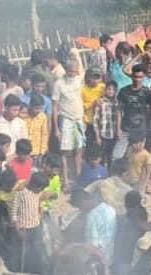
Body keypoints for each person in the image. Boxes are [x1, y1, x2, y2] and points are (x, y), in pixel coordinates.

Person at [52, 52, 87, 183]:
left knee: (79, 150)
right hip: (66, 119)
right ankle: (65, 179)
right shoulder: (59, 84)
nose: (72, 73)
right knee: (65, 152)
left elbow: (79, 61)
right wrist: (56, 128)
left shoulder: (79, 79)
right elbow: (55, 107)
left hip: (78, 119)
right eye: (70, 71)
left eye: (74, 71)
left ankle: (78, 176)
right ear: (65, 70)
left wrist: (82, 120)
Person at [10, 172, 49, 274]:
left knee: (37, 250)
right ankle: (22, 272)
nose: (42, 191)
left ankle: (37, 271)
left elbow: (39, 204)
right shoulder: (20, 193)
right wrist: (18, 231)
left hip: (36, 227)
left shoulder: (38, 193)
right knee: (24, 253)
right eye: (41, 188)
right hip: (24, 229)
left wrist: (40, 213)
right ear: (35, 186)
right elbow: (14, 214)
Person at [115, 65, 151, 162]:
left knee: (137, 155)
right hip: (126, 127)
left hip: (140, 129)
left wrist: (146, 123)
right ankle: (115, 174)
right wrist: (118, 128)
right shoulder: (124, 91)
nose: (137, 80)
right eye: (135, 77)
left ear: (144, 77)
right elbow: (119, 110)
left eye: (140, 77)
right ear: (131, 76)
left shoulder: (147, 92)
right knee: (116, 155)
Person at [92, 80, 120, 163]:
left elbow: (120, 117)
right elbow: (95, 120)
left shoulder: (117, 102)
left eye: (113, 90)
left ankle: (109, 174)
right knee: (101, 156)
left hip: (113, 135)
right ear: (105, 90)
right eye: (109, 89)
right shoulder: (101, 102)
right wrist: (97, 136)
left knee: (111, 156)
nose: (111, 91)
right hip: (103, 135)